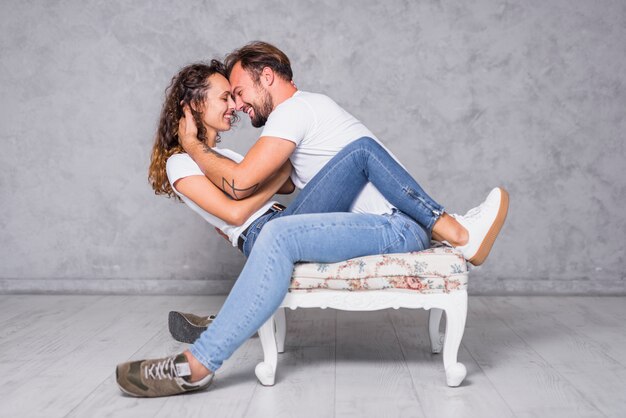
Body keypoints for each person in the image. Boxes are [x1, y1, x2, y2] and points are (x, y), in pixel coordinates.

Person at [116, 44, 509, 397]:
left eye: (236, 95)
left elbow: (278, 185)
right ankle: (203, 358)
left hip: (281, 221)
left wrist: (264, 171)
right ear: (194, 105)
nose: (235, 106)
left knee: (358, 156)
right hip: (263, 229)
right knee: (356, 159)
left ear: (266, 77)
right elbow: (237, 205)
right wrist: (200, 150)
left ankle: (216, 338)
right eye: (226, 97)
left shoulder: (247, 145)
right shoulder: (182, 161)